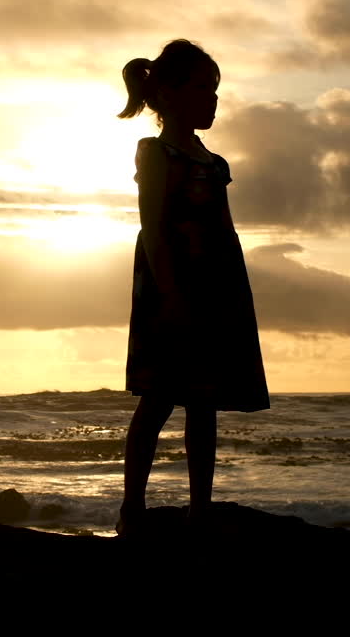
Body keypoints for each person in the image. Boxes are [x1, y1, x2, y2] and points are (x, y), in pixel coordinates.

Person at [116, 39, 270, 537]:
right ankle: (132, 509)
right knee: (158, 397)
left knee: (205, 400)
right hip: (172, 287)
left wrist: (234, 296)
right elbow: (153, 228)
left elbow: (225, 229)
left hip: (215, 287)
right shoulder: (157, 153)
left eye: (215, 89)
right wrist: (170, 294)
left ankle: (200, 509)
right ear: (168, 93)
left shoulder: (213, 161)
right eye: (202, 88)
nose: (213, 99)